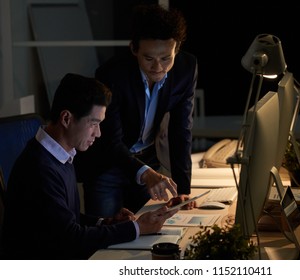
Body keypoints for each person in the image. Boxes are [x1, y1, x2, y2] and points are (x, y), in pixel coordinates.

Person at [0, 73, 178, 260]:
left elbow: (66, 220)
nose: (99, 133)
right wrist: (137, 228)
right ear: (67, 118)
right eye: (94, 123)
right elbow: (71, 238)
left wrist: (107, 223)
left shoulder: (60, 154)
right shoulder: (39, 169)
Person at [74, 4, 198, 216]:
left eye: (166, 58)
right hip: (108, 164)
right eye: (149, 58)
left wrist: (183, 189)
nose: (158, 67)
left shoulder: (186, 69)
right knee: (106, 236)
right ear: (134, 49)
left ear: (176, 49)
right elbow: (110, 140)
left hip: (146, 160)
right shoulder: (112, 74)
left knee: (147, 230)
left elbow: (181, 131)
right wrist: (145, 173)